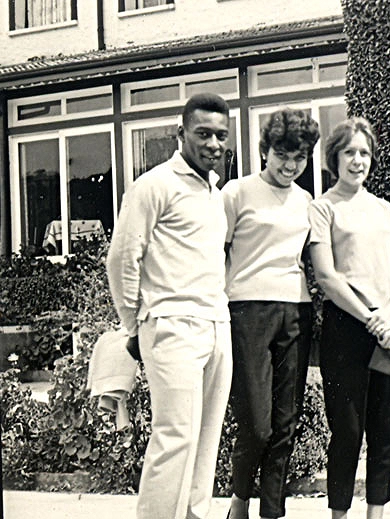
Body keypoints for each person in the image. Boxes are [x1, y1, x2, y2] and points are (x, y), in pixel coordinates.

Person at [106, 93, 233, 519]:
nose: (213, 143)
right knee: (175, 438)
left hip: (217, 324)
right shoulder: (153, 185)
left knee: (205, 440)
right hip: (171, 326)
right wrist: (134, 325)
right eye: (203, 133)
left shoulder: (215, 190)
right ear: (181, 134)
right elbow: (123, 257)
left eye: (220, 135)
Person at [307, 117, 390, 519]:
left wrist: (386, 317)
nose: (358, 160)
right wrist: (370, 318)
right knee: (348, 433)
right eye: (350, 152)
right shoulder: (323, 208)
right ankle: (339, 515)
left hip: (388, 329)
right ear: (335, 157)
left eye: (365, 153)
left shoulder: (384, 209)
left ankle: (376, 515)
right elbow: (326, 276)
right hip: (347, 329)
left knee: (384, 431)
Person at [222, 108, 320, 519]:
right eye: (282, 154)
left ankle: (271, 512)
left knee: (286, 422)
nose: (290, 165)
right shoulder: (236, 193)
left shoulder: (306, 201)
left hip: (295, 310)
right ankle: (239, 500)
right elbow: (214, 252)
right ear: (266, 150)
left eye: (299, 158)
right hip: (246, 312)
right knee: (257, 423)